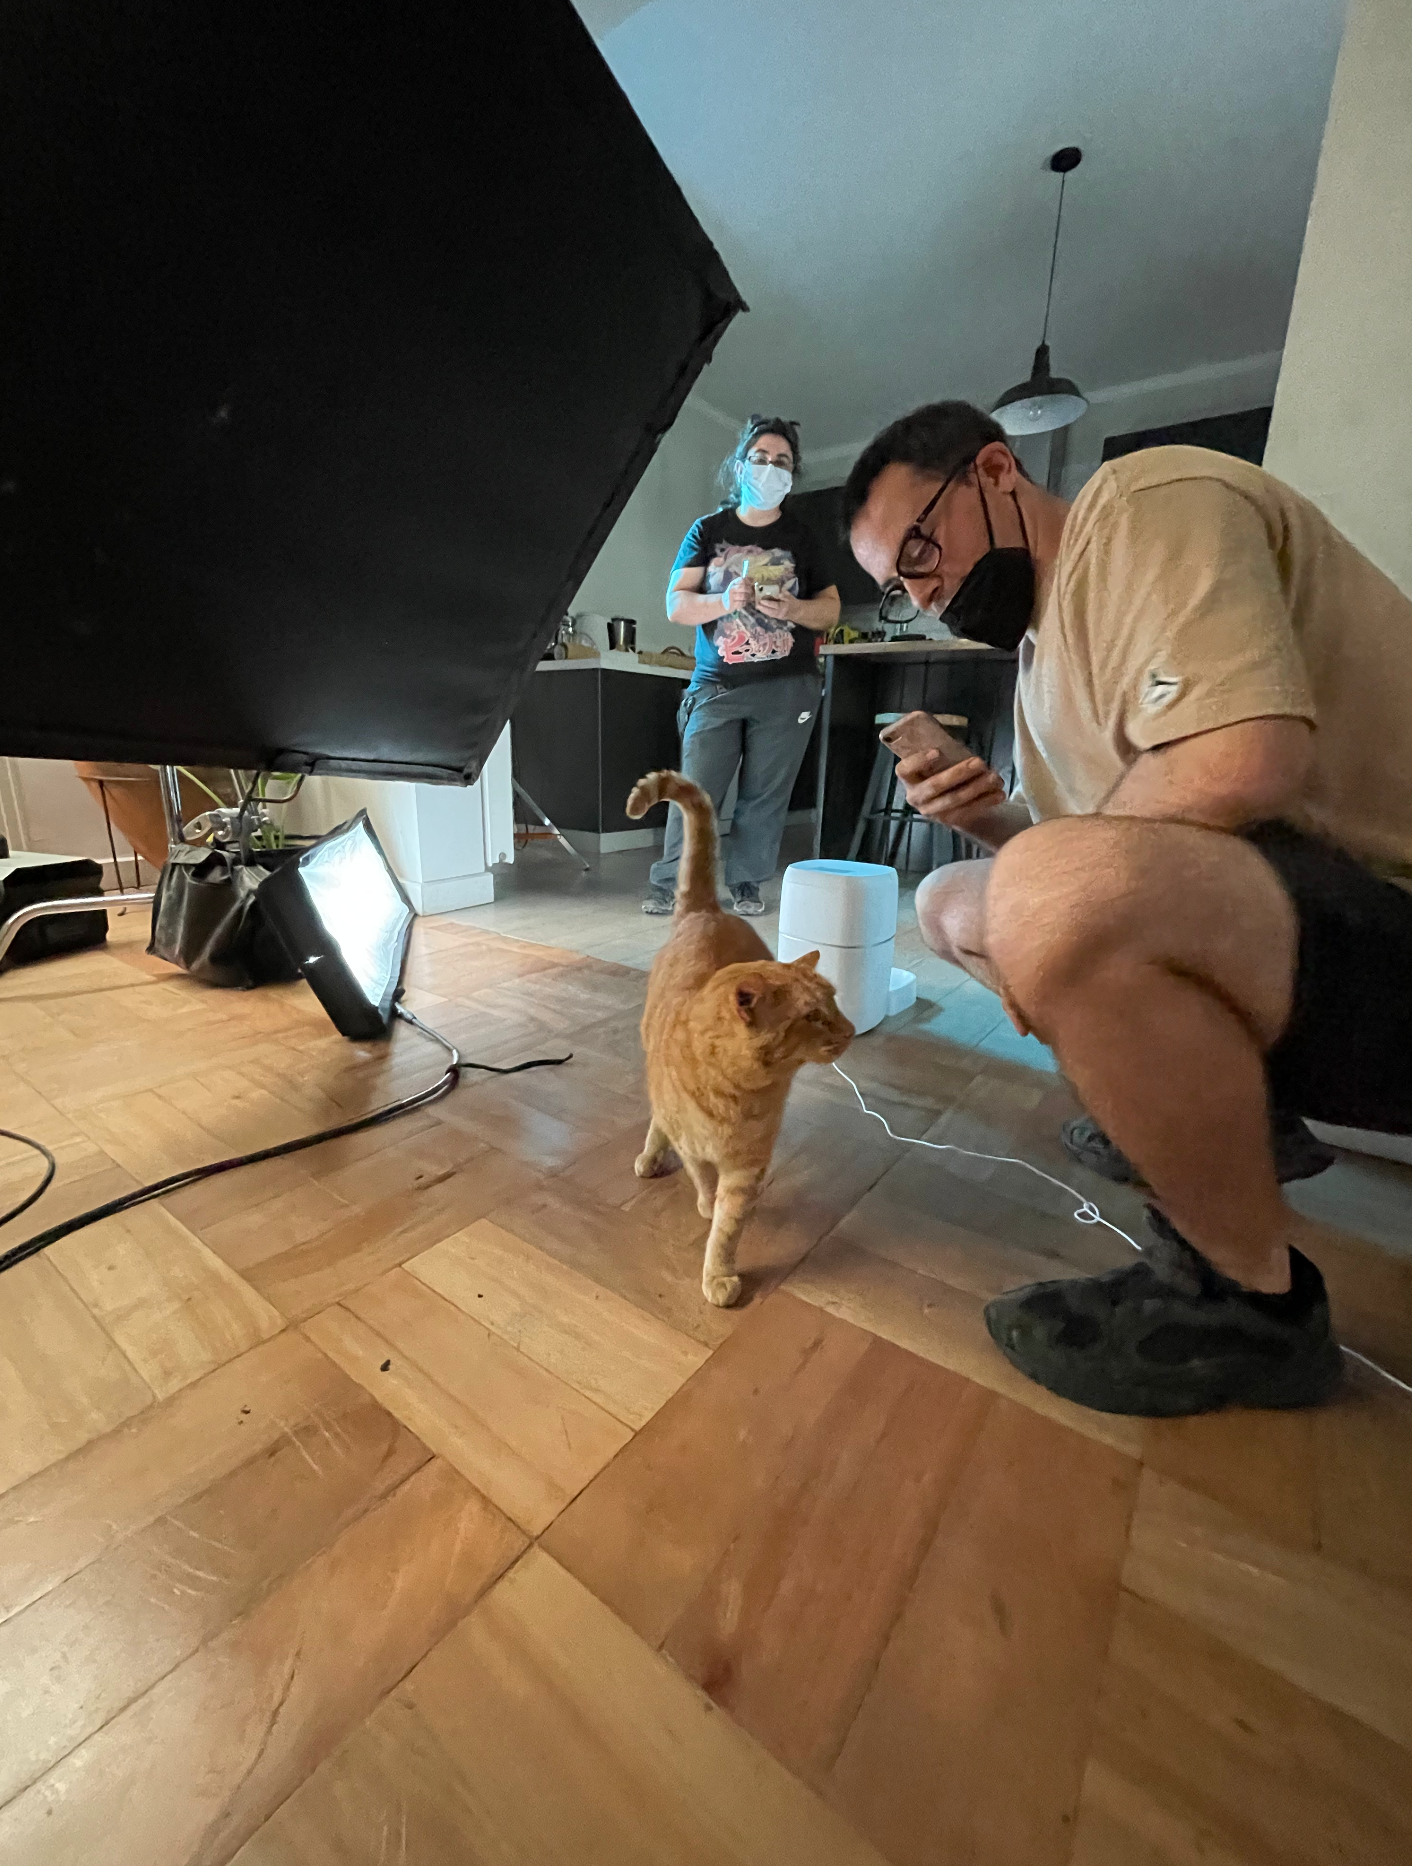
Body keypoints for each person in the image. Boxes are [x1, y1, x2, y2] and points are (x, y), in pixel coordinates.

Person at [841, 400, 1412, 1417]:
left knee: (1044, 889)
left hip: (1382, 908)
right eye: (899, 586)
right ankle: (1234, 1115)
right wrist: (987, 817)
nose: (922, 596)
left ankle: (1245, 1303)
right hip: (1293, 924)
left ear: (994, 471)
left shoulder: (1143, 503)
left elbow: (1240, 762)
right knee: (948, 901)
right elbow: (1106, 870)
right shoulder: (1036, 667)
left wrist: (1050, 867)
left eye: (919, 550)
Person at [643, 416, 840, 915]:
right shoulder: (708, 530)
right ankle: (674, 882)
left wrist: (794, 608)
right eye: (760, 458)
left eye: (782, 461)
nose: (770, 469)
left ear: (793, 472)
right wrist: (724, 601)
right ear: (739, 466)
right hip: (717, 686)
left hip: (789, 686)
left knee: (765, 795)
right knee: (696, 791)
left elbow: (831, 610)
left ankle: (747, 883)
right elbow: (676, 605)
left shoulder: (803, 536)